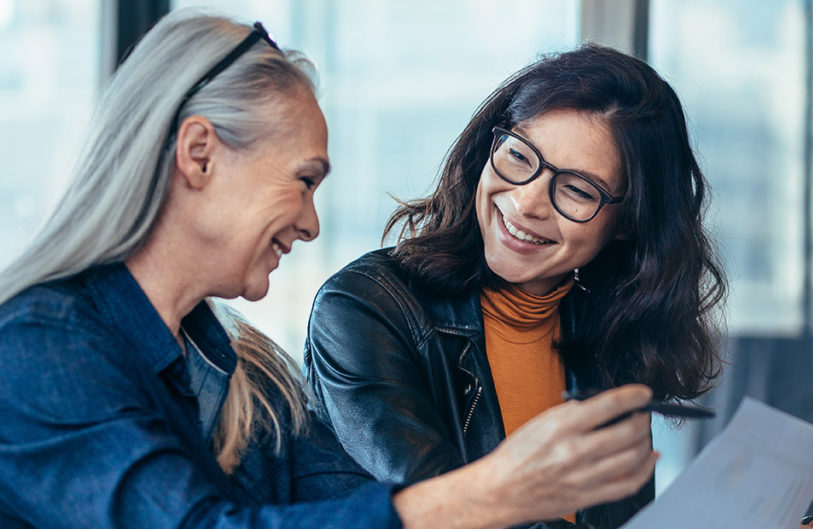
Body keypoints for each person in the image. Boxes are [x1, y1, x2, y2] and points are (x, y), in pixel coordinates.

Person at [0, 11, 661, 529]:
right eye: (303, 180)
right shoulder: (36, 347)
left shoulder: (247, 377)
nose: (313, 224)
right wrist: (491, 492)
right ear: (200, 154)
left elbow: (348, 504)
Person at [304, 44, 813, 529]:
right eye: (520, 157)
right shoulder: (366, 308)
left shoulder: (608, 339)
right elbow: (446, 512)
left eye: (576, 190)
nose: (526, 202)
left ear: (627, 225)